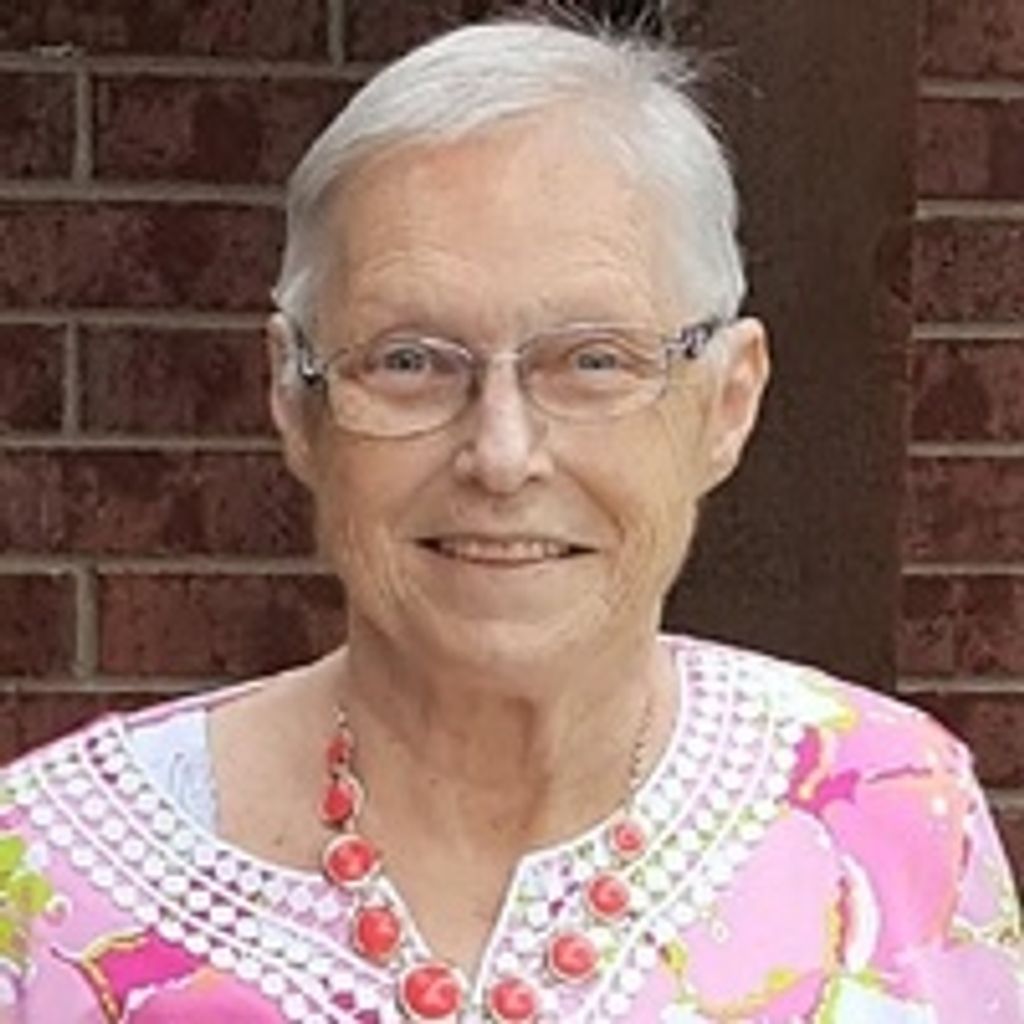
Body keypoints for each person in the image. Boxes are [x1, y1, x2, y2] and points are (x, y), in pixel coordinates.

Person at [1, 17, 1021, 1024]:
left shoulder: (889, 809)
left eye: (595, 361)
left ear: (726, 402)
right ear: (294, 400)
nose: (500, 453)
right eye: (409, 360)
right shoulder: (46, 888)